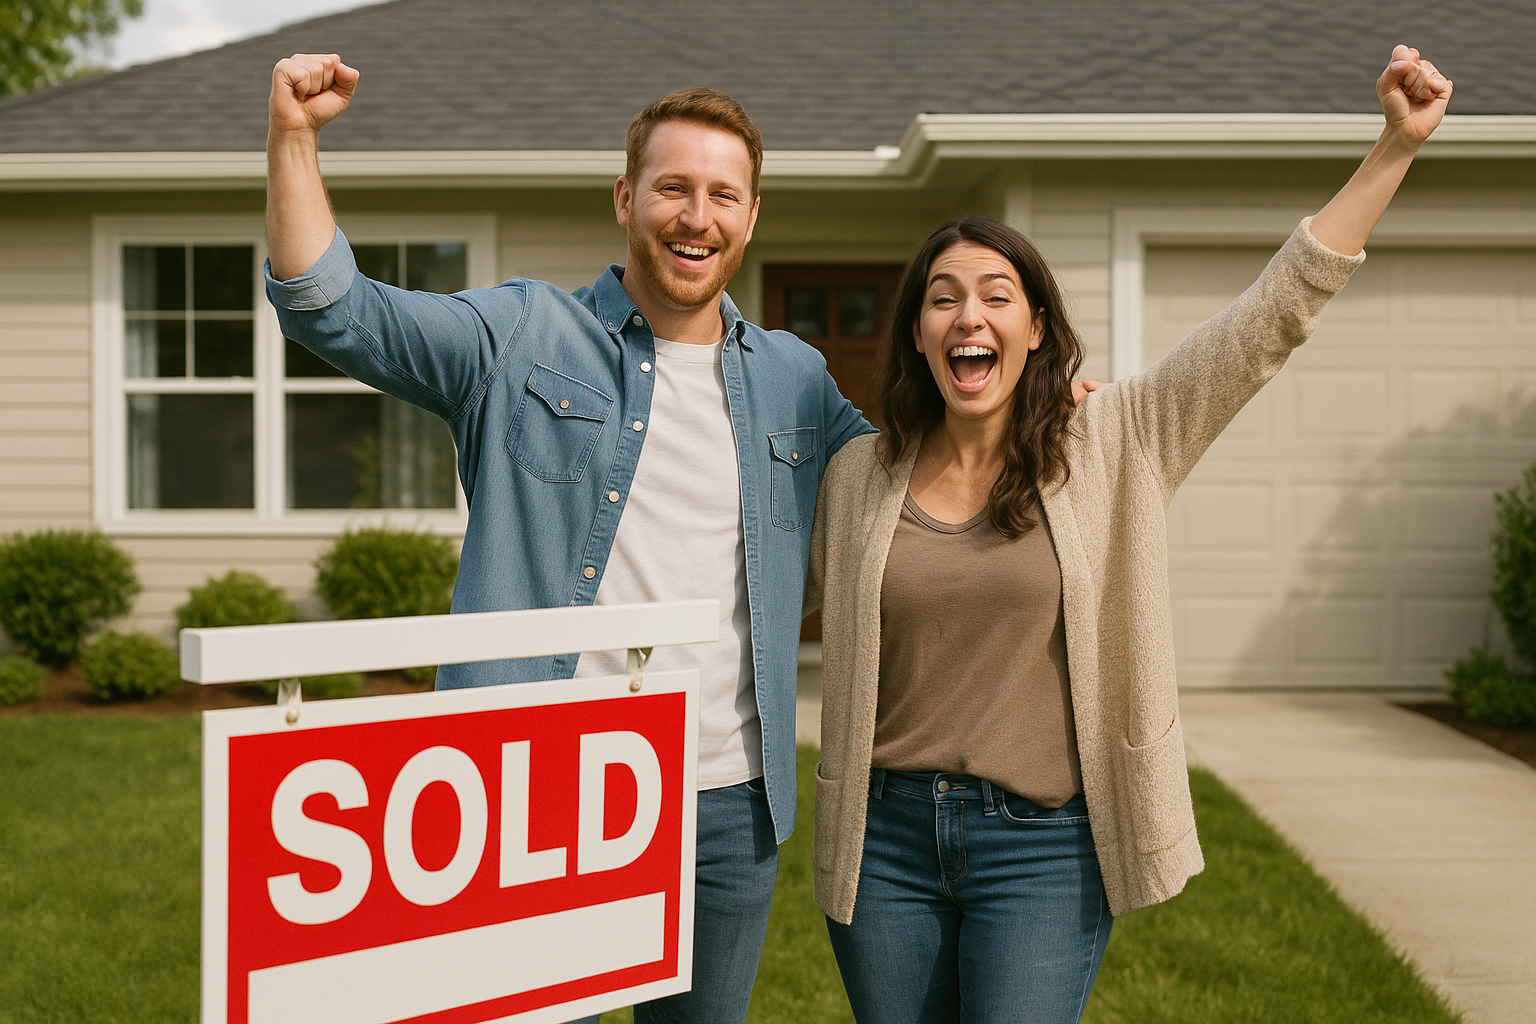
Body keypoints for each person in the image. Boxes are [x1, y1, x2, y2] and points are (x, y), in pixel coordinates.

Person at [805, 46, 1451, 1024]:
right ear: (919, 334)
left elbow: (1268, 321)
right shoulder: (859, 474)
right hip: (882, 840)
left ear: (1033, 329)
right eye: (942, 297)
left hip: (1041, 845)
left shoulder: (1115, 438)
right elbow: (759, 571)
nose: (968, 314)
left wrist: (1394, 148)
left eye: (995, 294)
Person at [264, 57, 871, 1024]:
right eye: (673, 188)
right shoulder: (523, 334)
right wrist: (294, 137)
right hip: (539, 787)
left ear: (752, 218)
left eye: (723, 195)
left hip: (726, 801)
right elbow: (334, 308)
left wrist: (1056, 417)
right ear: (626, 198)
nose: (697, 216)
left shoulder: (796, 377)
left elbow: (917, 477)